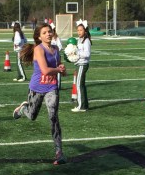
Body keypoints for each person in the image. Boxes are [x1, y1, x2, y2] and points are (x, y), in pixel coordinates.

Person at [13, 23, 66, 164]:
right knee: (32, 116)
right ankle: (24, 108)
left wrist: (62, 68)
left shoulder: (56, 49)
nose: (48, 34)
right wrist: (58, 70)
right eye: (44, 32)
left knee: (53, 117)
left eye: (50, 31)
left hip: (52, 88)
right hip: (36, 88)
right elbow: (45, 70)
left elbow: (59, 68)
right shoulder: (38, 49)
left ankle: (59, 152)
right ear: (39, 37)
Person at [72, 20, 91, 112]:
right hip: (79, 64)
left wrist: (77, 53)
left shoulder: (86, 41)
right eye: (78, 30)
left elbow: (87, 54)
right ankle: (85, 105)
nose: (79, 32)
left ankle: (81, 106)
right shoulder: (79, 40)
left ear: (85, 31)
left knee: (79, 85)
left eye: (81, 30)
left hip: (82, 64)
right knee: (81, 85)